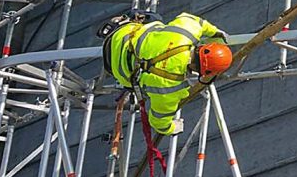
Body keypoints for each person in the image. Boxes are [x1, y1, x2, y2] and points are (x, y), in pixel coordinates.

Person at [99, 11, 233, 135]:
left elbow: (196, 21)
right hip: (115, 68)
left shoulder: (184, 34)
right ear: (204, 73)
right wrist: (173, 128)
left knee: (155, 19)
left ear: (203, 47)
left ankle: (124, 20)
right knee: (146, 88)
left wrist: (214, 32)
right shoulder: (171, 89)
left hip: (119, 35)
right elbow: (159, 123)